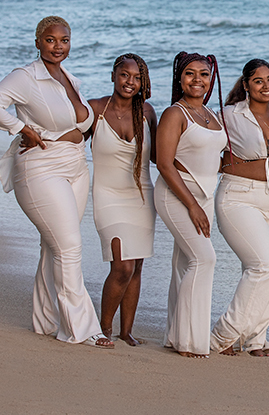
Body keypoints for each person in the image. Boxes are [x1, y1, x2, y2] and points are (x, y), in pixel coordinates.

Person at [0, 16, 113, 348]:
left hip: (76, 167)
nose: (58, 46)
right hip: (41, 168)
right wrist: (22, 129)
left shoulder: (69, 78)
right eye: (50, 40)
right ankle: (83, 329)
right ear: (37, 42)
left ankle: (45, 320)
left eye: (64, 40)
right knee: (69, 247)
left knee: (53, 245)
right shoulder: (26, 77)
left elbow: (81, 124)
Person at [212, 59, 269, 357]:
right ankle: (222, 336)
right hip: (238, 197)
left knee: (266, 271)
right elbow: (200, 143)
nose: (266, 85)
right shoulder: (229, 115)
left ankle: (256, 338)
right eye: (258, 80)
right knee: (266, 266)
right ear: (245, 85)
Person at [154, 52, 228, 358]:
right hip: (176, 195)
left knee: (184, 264)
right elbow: (164, 164)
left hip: (205, 195)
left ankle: (175, 334)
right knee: (204, 259)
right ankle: (189, 340)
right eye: (190, 73)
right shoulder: (175, 114)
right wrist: (193, 206)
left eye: (204, 74)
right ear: (179, 78)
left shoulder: (211, 113)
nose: (197, 80)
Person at [86, 53, 157, 347]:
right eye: (125, 75)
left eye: (137, 78)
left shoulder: (148, 112)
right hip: (108, 197)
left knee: (136, 266)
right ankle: (103, 328)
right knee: (122, 267)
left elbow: (159, 157)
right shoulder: (95, 109)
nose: (130, 82)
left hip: (142, 197)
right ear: (113, 75)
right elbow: (71, 141)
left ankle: (126, 331)